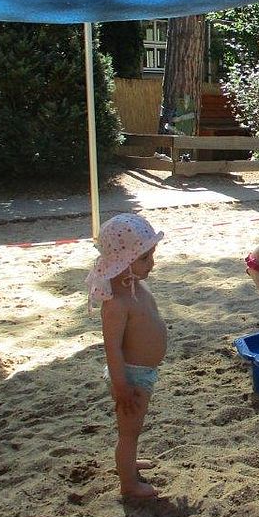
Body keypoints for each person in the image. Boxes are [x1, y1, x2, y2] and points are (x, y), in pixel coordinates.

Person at [85, 213, 166, 499]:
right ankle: (129, 484)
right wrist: (121, 385)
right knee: (128, 432)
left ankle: (128, 464)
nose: (151, 263)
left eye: (151, 255)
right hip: (130, 376)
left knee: (133, 429)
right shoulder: (115, 303)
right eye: (144, 258)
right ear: (122, 262)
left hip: (142, 372)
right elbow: (112, 348)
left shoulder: (136, 286)